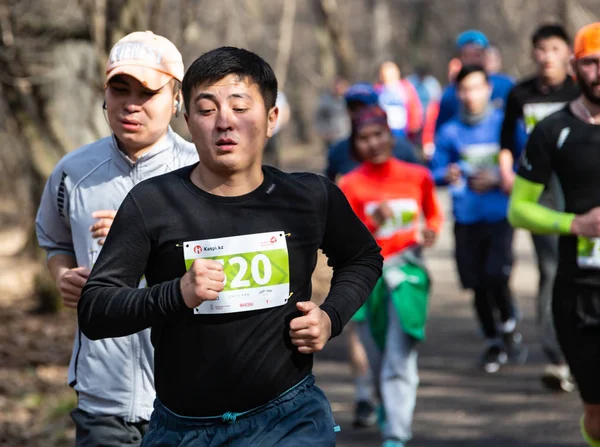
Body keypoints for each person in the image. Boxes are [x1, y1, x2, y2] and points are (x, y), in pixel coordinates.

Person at [77, 46, 384, 446]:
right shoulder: (151, 203)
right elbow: (96, 309)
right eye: (206, 110)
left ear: (271, 118)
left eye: (240, 107)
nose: (225, 122)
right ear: (187, 121)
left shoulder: (308, 197)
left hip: (290, 418)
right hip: (183, 428)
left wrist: (331, 317)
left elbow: (363, 257)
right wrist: (177, 293)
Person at [36, 31, 198, 446]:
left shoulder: (202, 171)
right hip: (102, 394)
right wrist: (63, 275)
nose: (131, 104)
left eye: (147, 92)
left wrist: (143, 240)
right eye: (119, 89)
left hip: (190, 397)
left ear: (176, 99)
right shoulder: (74, 173)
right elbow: (55, 242)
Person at [508, 22, 600, 447]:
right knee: (597, 417)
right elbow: (519, 209)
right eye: (591, 62)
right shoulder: (552, 131)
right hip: (581, 290)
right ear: (575, 66)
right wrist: (574, 224)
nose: (599, 70)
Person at [339, 105, 443, 447]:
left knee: (399, 356)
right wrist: (372, 223)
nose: (372, 143)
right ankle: (388, 408)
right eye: (363, 138)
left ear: (390, 136)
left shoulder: (418, 176)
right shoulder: (351, 185)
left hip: (408, 274)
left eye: (378, 135)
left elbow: (433, 216)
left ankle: (396, 434)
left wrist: (430, 232)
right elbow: (341, 239)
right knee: (377, 357)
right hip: (368, 279)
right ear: (356, 145)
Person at [430, 64, 526, 373]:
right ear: (458, 93)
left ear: (488, 89)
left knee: (496, 274)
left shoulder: (504, 125)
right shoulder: (449, 131)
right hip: (466, 218)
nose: (471, 95)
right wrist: (449, 173)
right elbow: (434, 172)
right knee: (475, 282)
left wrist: (500, 178)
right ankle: (493, 342)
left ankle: (509, 319)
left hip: (499, 215)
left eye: (477, 88)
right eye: (465, 89)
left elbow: (528, 162)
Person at [499, 24, 579, 392]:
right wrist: (505, 172)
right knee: (551, 267)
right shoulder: (521, 93)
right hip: (540, 190)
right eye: (541, 49)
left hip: (580, 187)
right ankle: (558, 356)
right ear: (534, 54)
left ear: (568, 53)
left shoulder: (582, 90)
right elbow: (505, 141)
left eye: (555, 48)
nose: (548, 56)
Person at [326, 82, 419, 183]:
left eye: (365, 108)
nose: (373, 144)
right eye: (354, 109)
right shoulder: (338, 152)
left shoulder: (403, 148)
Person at [436, 30, 514, 130]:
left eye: (477, 54)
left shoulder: (505, 85)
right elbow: (442, 130)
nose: (472, 60)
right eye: (467, 55)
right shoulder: (450, 94)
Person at [375, 61, 423, 143]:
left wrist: (415, 126)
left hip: (404, 131)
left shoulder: (406, 88)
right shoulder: (377, 90)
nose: (389, 77)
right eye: (386, 74)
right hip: (384, 130)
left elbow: (414, 107)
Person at [314, 76, 351, 151]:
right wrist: (323, 132)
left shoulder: (350, 100)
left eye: (341, 87)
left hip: (348, 135)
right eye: (337, 87)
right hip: (332, 137)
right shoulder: (325, 101)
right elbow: (319, 118)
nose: (338, 89)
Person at [263, 90, 290, 167]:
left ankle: (276, 168)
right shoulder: (261, 93)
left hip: (276, 129)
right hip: (263, 129)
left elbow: (286, 110)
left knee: (275, 151)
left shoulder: (280, 96)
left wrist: (284, 123)